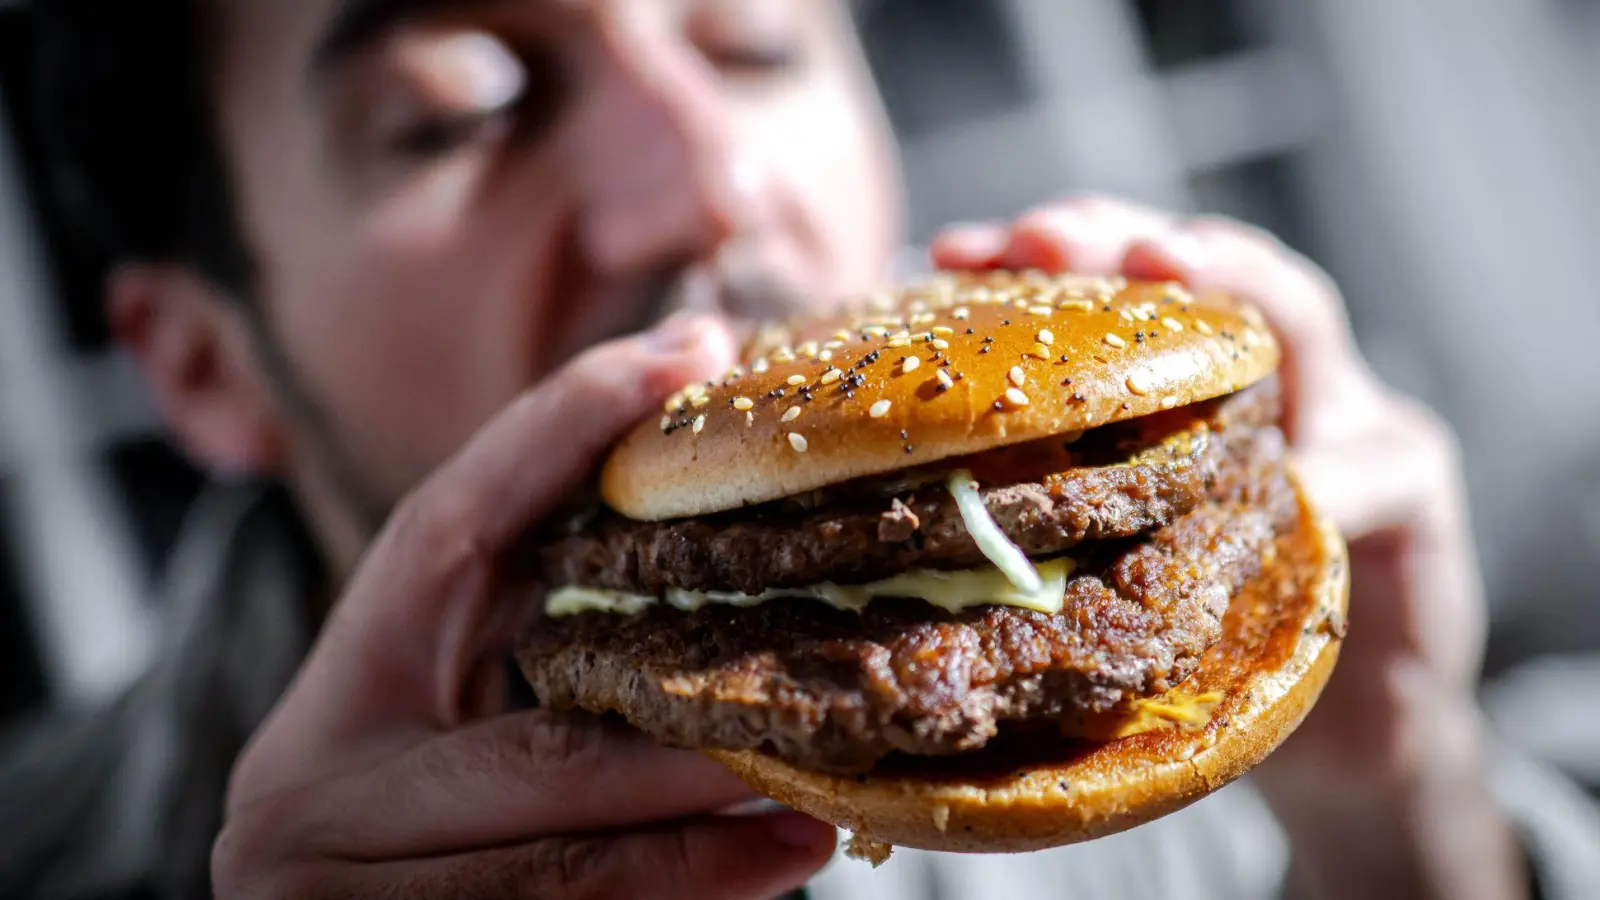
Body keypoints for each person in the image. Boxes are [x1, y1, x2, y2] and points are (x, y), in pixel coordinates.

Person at [3, 1, 1598, 898]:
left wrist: (1396, 815)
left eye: (755, 40)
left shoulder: (1168, 746)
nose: (708, 188)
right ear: (202, 359)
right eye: (463, 107)